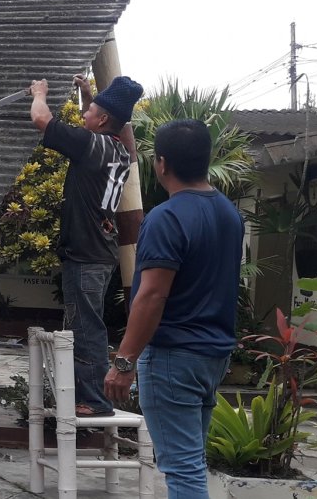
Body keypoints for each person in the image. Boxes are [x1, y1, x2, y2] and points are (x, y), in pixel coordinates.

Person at [104, 119, 242, 498]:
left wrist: (124, 362)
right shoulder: (230, 214)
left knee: (182, 470)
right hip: (212, 355)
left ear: (161, 163)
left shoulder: (166, 218)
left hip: (173, 356)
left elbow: (152, 295)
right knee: (190, 461)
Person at [30, 74, 143, 417]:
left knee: (86, 327)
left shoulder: (88, 145)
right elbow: (97, 125)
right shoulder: (119, 151)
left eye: (89, 111)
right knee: (84, 323)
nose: (83, 116)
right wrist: (88, 94)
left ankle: (94, 399)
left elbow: (41, 119)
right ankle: (88, 395)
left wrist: (40, 93)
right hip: (101, 251)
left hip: (86, 254)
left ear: (104, 119)